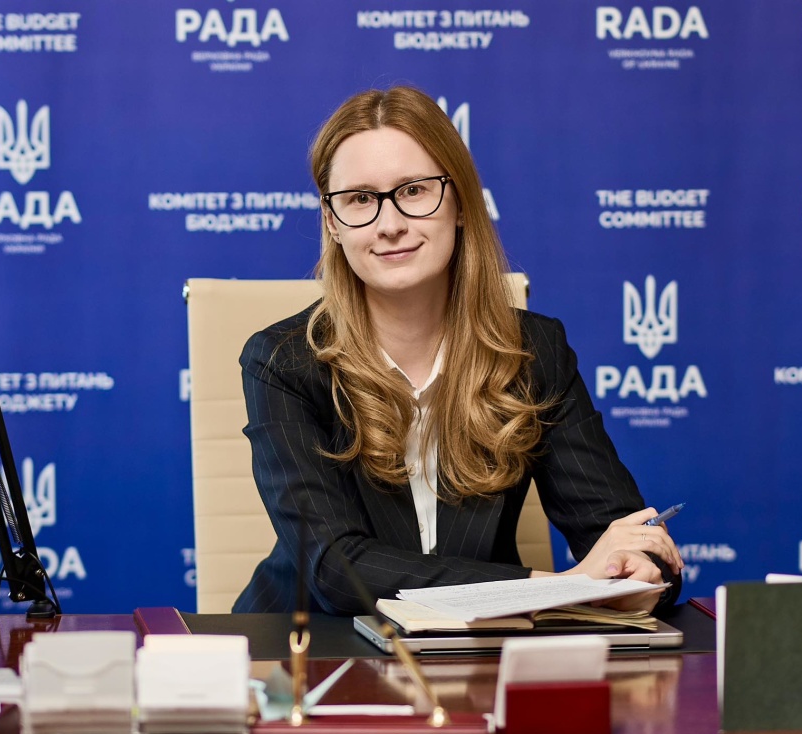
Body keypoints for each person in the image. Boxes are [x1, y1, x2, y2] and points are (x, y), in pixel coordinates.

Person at [233, 86, 683, 616]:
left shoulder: (535, 351)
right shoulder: (282, 361)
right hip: (306, 644)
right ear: (332, 222)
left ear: (462, 202)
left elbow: (622, 534)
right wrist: (555, 587)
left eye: (414, 191)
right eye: (360, 199)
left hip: (482, 648)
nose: (390, 224)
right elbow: (337, 569)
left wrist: (636, 568)